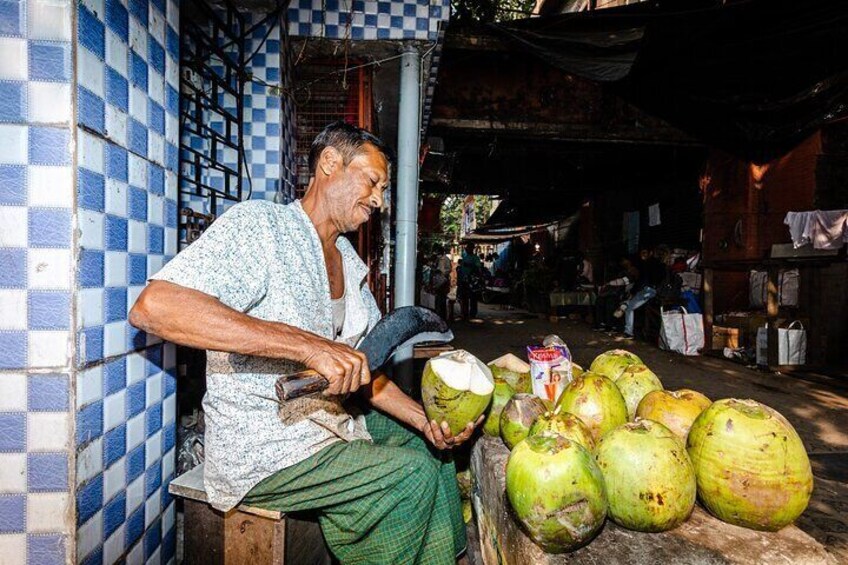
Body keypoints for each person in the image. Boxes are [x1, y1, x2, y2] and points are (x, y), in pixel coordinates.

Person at [129, 122, 477, 564]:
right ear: (329, 162)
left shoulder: (351, 266)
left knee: (430, 452)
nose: (378, 200)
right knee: (409, 476)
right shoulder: (262, 227)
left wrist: (425, 420)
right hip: (265, 445)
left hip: (331, 423)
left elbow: (365, 370)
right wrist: (307, 346)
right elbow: (155, 307)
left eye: (384, 190)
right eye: (373, 182)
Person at [621, 248, 668, 339]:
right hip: (655, 291)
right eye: (642, 253)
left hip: (648, 290)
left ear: (651, 253)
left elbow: (642, 281)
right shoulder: (661, 265)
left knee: (629, 308)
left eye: (645, 253)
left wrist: (633, 292)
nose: (643, 255)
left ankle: (628, 332)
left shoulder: (647, 264)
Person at [593, 256, 635, 331]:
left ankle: (610, 325)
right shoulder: (616, 271)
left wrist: (612, 283)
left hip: (622, 294)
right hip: (613, 292)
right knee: (600, 300)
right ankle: (601, 323)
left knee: (610, 301)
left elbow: (627, 281)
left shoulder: (630, 271)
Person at [456, 243, 483, 320]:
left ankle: (473, 314)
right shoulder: (465, 257)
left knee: (473, 298)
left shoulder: (475, 258)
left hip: (472, 281)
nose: (467, 249)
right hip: (464, 280)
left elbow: (478, 268)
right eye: (466, 248)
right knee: (464, 298)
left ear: (471, 249)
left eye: (468, 248)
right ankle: (465, 313)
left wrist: (469, 265)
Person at [433, 244, 453, 320]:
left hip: (443, 281)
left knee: (442, 299)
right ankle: (437, 314)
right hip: (437, 280)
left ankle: (443, 316)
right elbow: (434, 267)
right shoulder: (437, 259)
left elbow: (449, 269)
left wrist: (443, 273)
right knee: (437, 298)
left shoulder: (446, 259)